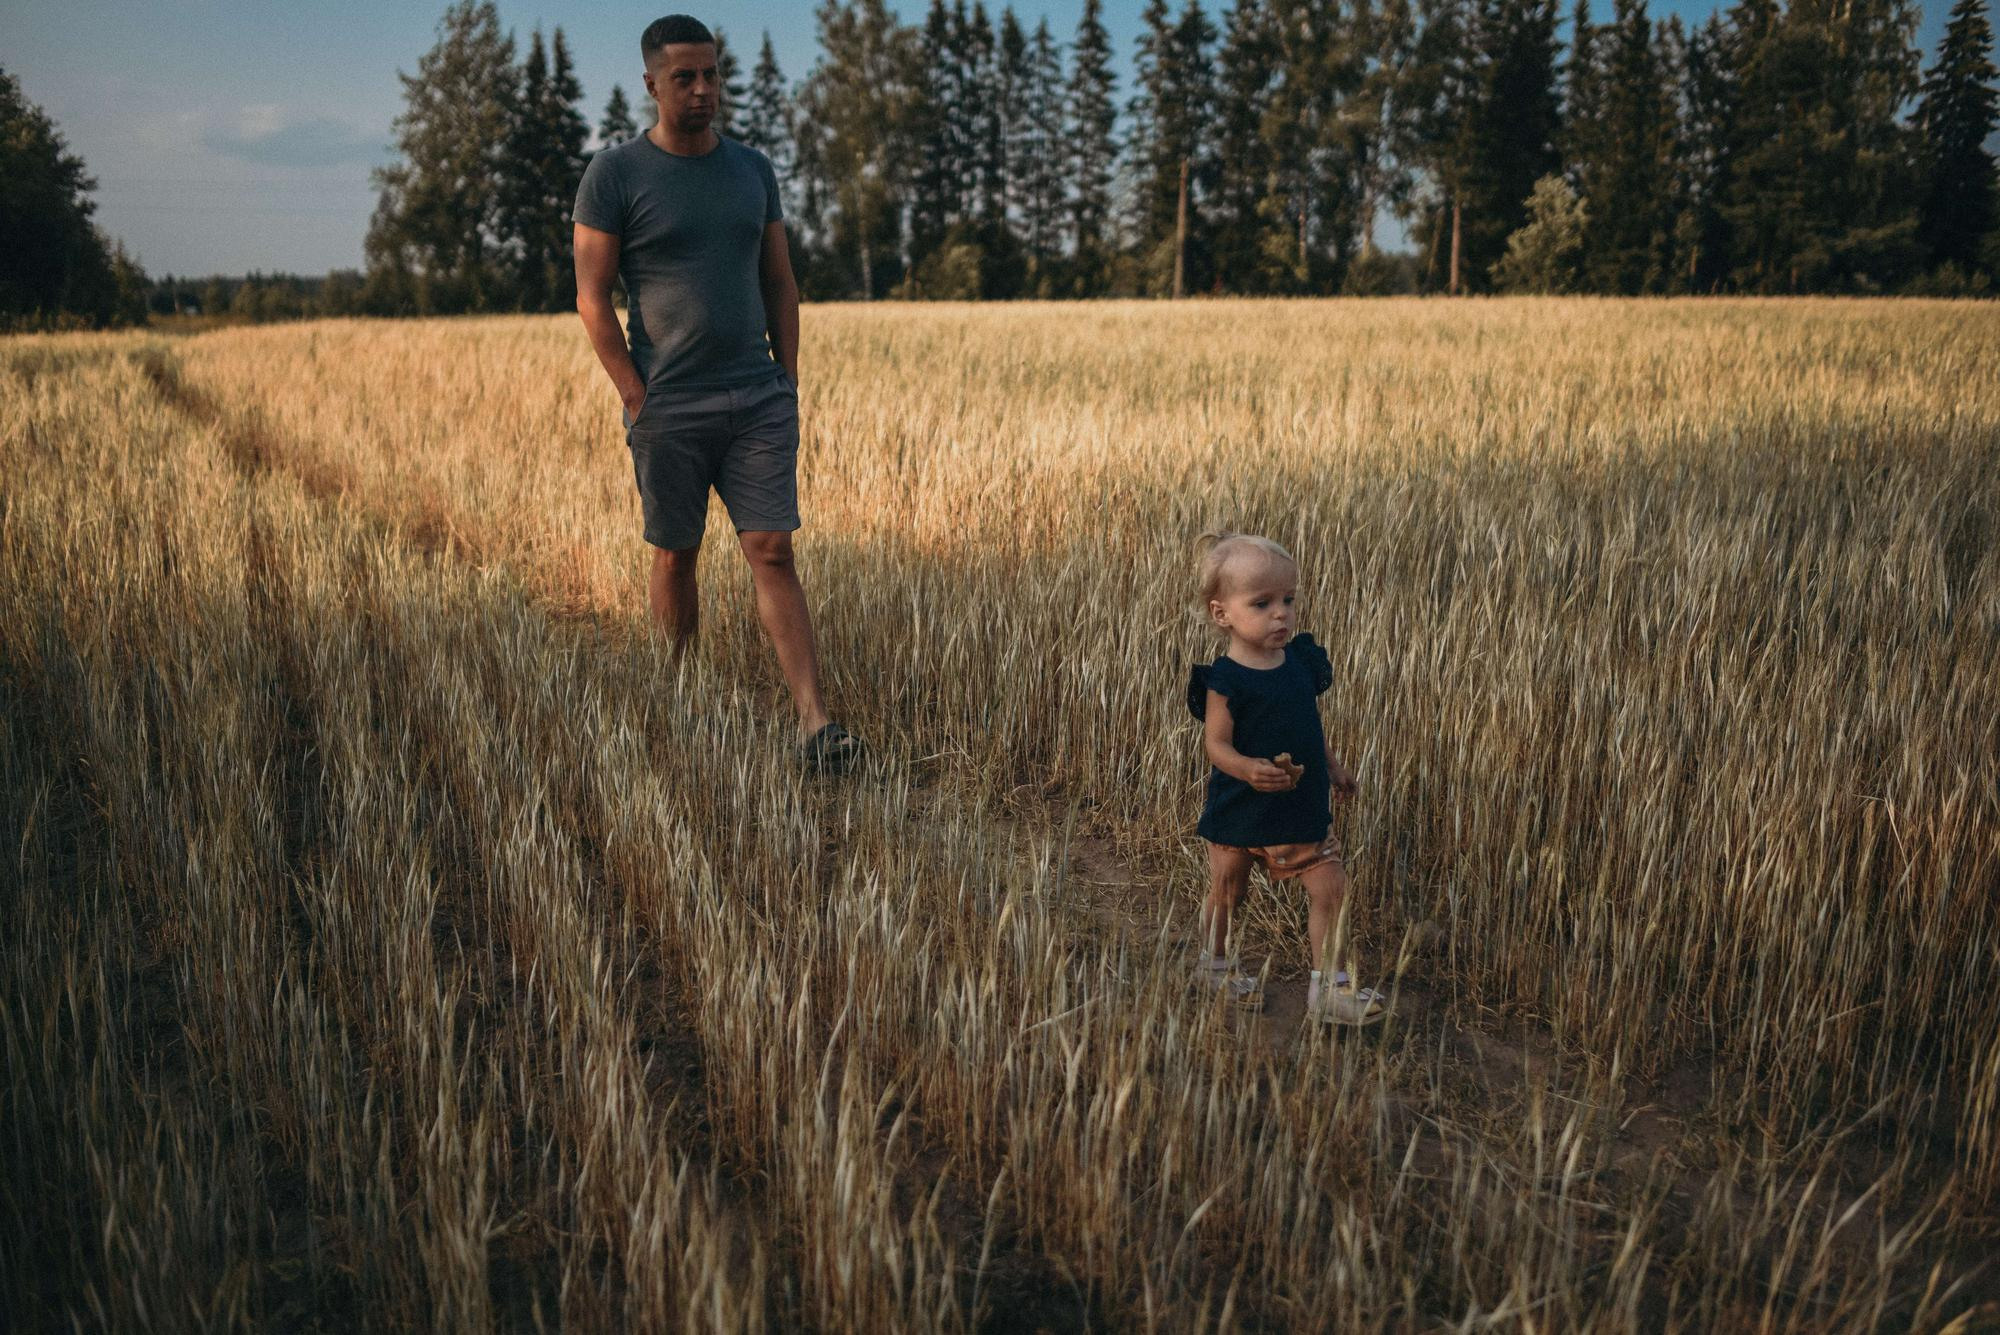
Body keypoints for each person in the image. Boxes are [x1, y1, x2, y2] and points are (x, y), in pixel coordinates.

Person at [573, 14, 861, 774]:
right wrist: (635, 395)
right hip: (668, 403)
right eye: (685, 78)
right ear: (652, 84)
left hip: (756, 399)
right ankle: (678, 706)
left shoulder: (752, 170)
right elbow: (592, 297)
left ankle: (816, 724)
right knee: (676, 556)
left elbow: (780, 281)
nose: (703, 90)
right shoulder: (614, 175)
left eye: (711, 74)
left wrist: (786, 381)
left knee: (772, 549)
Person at [1186, 532, 1386, 1025]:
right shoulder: (1225, 680)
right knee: (1228, 892)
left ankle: (1330, 989)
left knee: (1331, 887)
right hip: (1240, 807)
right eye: (1262, 603)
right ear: (1221, 613)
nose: (1282, 614)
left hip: (1300, 806)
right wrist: (1246, 768)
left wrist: (1332, 765)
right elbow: (1216, 746)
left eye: (1288, 600)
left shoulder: (1299, 662)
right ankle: (1213, 967)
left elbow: (1307, 725)